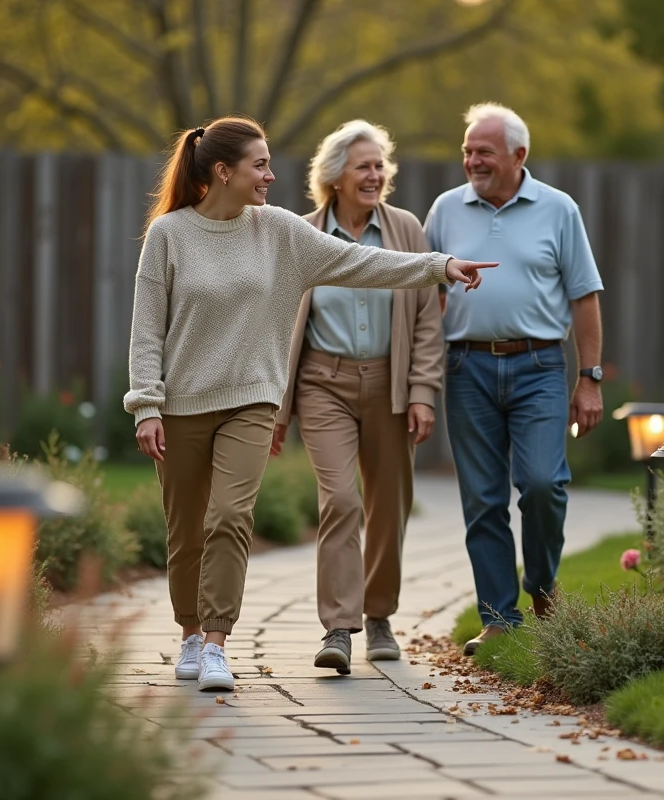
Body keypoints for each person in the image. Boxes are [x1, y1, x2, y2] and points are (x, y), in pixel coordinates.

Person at [124, 116, 495, 692]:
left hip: (251, 399)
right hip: (182, 404)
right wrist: (146, 404)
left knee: (230, 517)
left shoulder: (278, 231)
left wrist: (436, 266)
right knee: (186, 531)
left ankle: (218, 643)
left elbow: (360, 262)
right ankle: (191, 634)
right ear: (223, 171)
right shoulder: (169, 235)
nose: (272, 176)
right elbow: (147, 329)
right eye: (260, 165)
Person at [424, 103, 605, 656]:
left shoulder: (558, 209)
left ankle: (543, 587)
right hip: (466, 368)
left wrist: (589, 378)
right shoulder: (444, 211)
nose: (472, 161)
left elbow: (585, 297)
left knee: (544, 484)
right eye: (467, 152)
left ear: (518, 156)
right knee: (482, 498)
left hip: (540, 367)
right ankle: (500, 617)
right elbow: (426, 292)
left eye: (484, 152)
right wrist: (420, 376)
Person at [272, 120, 443, 674]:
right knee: (341, 500)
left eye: (379, 166)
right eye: (363, 166)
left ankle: (378, 617)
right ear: (335, 176)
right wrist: (277, 409)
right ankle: (339, 628)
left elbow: (426, 321)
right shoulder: (302, 234)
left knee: (389, 506)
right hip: (324, 384)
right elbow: (277, 325)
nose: (375, 175)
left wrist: (422, 391)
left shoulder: (406, 229)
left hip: (390, 383)